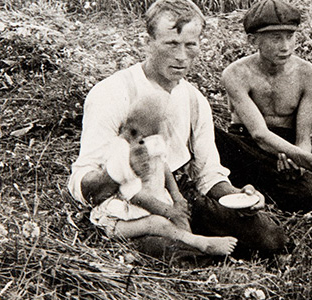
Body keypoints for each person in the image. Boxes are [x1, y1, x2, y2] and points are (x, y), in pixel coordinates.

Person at [68, 0, 288, 258]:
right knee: (174, 251)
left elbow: (207, 174)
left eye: (190, 45)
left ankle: (200, 246)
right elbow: (82, 184)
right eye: (171, 44)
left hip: (179, 197)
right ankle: (192, 251)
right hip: (128, 203)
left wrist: (238, 196)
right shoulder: (112, 93)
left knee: (271, 238)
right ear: (147, 43)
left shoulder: (194, 99)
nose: (182, 57)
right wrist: (121, 170)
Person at [216, 0, 312, 212]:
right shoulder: (236, 74)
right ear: (253, 41)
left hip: (285, 151)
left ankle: (257, 190)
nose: (285, 47)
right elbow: (258, 134)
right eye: (275, 38)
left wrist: (299, 163)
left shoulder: (307, 73)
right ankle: (245, 188)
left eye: (290, 37)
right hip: (245, 147)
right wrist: (309, 160)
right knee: (213, 136)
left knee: (307, 197)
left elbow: (303, 138)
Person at [88, 92, 237, 257]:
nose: (147, 141)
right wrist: (168, 211)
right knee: (157, 223)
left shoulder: (149, 138)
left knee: (181, 218)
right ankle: (200, 243)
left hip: (156, 203)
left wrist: (177, 197)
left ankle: (192, 245)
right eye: (140, 135)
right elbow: (137, 196)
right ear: (129, 128)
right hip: (123, 218)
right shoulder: (121, 151)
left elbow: (164, 167)